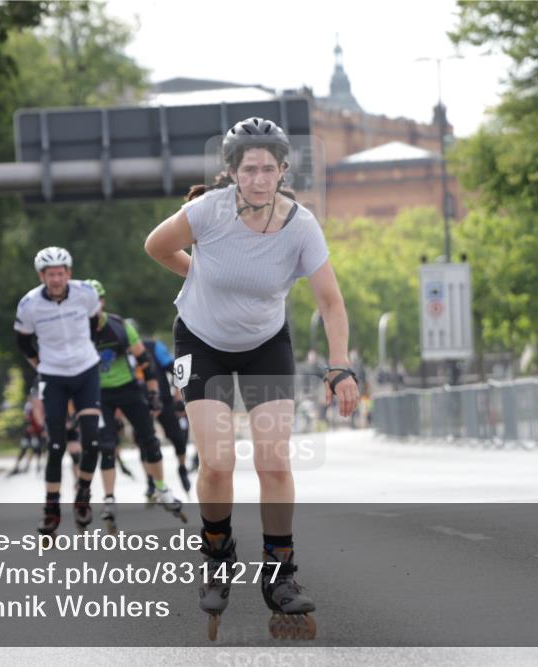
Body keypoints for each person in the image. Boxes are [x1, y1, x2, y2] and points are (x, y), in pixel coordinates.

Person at [144, 116, 359, 640]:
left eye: (269, 169)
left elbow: (330, 301)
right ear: (232, 173)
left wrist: (339, 365)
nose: (259, 178)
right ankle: (217, 559)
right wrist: (198, 272)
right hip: (200, 343)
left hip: (265, 346)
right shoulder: (207, 212)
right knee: (217, 462)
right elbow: (154, 245)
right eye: (249, 169)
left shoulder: (301, 225)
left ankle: (280, 574)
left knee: (272, 459)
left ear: (283, 170)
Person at [15, 246, 103, 533]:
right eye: (50, 274)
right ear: (41, 275)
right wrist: (41, 365)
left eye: (60, 273)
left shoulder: (86, 294)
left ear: (69, 273)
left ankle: (83, 495)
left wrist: (80, 352)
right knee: (55, 445)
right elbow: (24, 342)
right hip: (52, 374)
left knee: (91, 440)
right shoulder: (28, 305)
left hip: (85, 369)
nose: (55, 279)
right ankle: (51, 509)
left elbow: (93, 326)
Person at [84, 279, 186, 527]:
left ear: (102, 301)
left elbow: (145, 361)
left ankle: (161, 488)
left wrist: (153, 394)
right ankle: (108, 498)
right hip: (98, 393)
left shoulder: (117, 326)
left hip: (128, 389)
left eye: (95, 301)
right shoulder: (75, 329)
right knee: (106, 445)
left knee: (150, 439)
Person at [135, 326, 194, 495]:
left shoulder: (154, 347)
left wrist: (178, 395)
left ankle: (182, 468)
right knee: (144, 442)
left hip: (162, 400)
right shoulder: (120, 352)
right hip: (138, 403)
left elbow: (175, 370)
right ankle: (151, 481)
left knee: (178, 437)